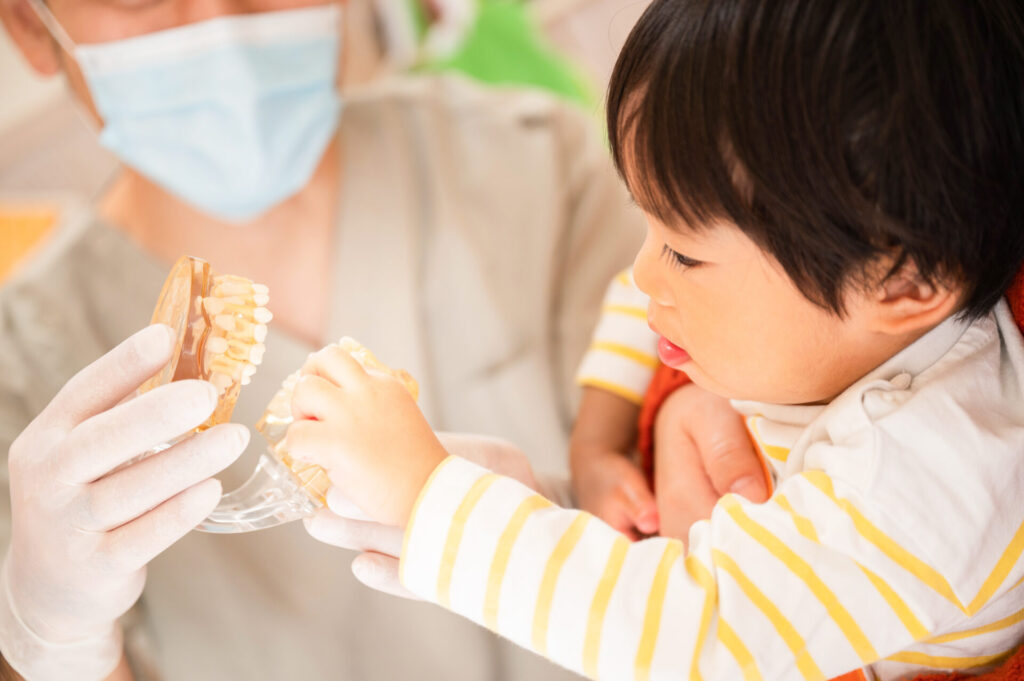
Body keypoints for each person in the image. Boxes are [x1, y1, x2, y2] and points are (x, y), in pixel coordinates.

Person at [279, 1, 1024, 680]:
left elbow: (687, 633)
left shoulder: (926, 478)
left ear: (902, 283)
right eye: (649, 225)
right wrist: (589, 451)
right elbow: (656, 309)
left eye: (685, 253)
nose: (639, 273)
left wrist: (434, 498)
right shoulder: (845, 326)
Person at [0, 0, 674, 679]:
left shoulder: (534, 165)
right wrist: (56, 646)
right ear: (30, 25)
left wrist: (706, 403)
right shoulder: (22, 367)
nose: (218, 23)